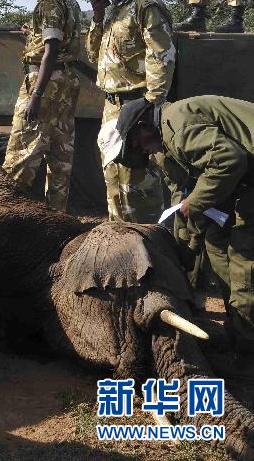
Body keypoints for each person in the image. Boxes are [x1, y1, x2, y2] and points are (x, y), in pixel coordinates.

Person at [106, 95, 254, 351]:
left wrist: (194, 204)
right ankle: (237, 326)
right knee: (215, 241)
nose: (142, 152)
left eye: (135, 144)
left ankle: (246, 341)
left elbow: (229, 160)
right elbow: (183, 192)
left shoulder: (178, 124)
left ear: (143, 125)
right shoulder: (163, 141)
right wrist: (184, 247)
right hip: (242, 181)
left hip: (245, 179)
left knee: (242, 253)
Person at [86, 0, 175, 223]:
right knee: (114, 179)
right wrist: (98, 16)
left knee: (139, 183)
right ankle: (119, 238)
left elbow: (163, 56)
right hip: (112, 106)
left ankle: (148, 241)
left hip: (138, 105)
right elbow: (93, 55)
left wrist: (151, 105)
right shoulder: (113, 10)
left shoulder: (145, 6)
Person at [3, 0, 81, 211]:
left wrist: (36, 95)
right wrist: (32, 33)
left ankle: (6, 220)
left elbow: (51, 49)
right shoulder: (69, 0)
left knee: (20, 157)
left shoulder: (48, 1)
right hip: (66, 82)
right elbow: (58, 38)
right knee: (60, 158)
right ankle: (56, 219)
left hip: (44, 81)